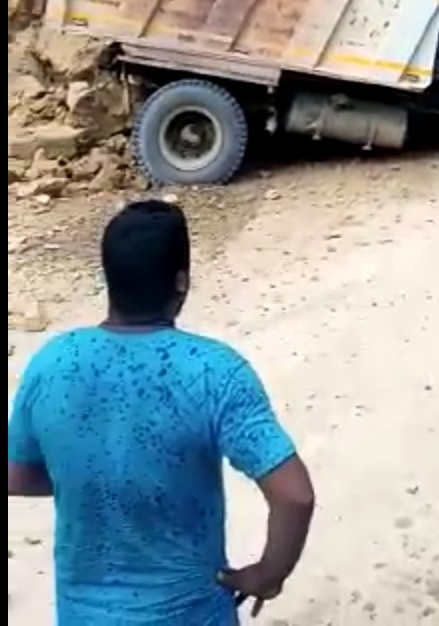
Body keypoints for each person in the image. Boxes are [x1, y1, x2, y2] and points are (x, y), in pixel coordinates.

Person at [8, 199, 315, 625]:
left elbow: (17, 476)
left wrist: (93, 474)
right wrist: (267, 574)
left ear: (110, 279)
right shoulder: (214, 371)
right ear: (181, 282)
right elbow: (295, 496)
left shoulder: (52, 362)